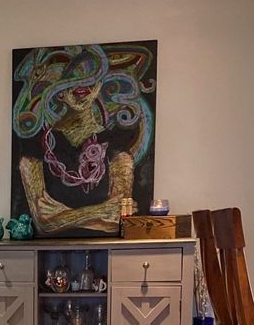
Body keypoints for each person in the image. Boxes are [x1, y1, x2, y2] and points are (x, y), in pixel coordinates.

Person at [12, 43, 156, 235]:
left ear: (100, 84)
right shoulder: (34, 148)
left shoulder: (118, 149)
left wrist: (62, 217)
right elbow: (43, 222)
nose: (82, 84)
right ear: (57, 91)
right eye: (70, 79)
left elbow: (117, 222)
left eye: (91, 75)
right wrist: (101, 211)